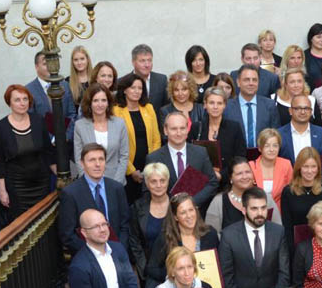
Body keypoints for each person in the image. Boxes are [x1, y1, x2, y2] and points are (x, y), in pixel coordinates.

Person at [219, 187, 291, 288]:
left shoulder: (278, 232)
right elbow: (226, 277)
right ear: (244, 210)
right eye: (254, 208)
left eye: (263, 208)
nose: (260, 213)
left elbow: (284, 273)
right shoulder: (228, 235)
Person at [69, 209, 139, 288]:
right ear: (84, 232)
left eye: (104, 224)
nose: (102, 229)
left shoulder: (118, 249)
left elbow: (131, 284)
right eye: (96, 226)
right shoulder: (78, 266)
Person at [0, 85, 55, 220]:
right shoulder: (0, 128)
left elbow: (48, 152)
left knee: (45, 219)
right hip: (17, 187)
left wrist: (60, 176)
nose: (22, 103)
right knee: (23, 224)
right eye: (17, 100)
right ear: (9, 102)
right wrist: (2, 191)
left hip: (42, 182)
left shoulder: (38, 120)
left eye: (25, 99)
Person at [144, 192, 219, 288]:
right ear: (175, 217)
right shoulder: (166, 238)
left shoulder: (210, 234)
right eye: (183, 212)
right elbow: (151, 268)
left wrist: (215, 286)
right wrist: (174, 276)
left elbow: (218, 265)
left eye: (191, 210)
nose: (189, 216)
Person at [58, 143, 131, 254]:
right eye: (92, 160)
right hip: (88, 256)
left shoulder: (116, 188)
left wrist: (119, 249)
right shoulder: (70, 193)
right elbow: (67, 235)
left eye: (101, 159)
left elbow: (125, 224)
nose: (97, 164)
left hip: (118, 253)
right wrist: (97, 253)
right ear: (82, 163)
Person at [145, 111, 219, 208]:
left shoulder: (200, 153)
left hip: (195, 211)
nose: (179, 133)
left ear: (187, 129)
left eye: (182, 128)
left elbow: (212, 182)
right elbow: (147, 190)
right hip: (167, 212)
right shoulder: (154, 158)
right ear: (165, 130)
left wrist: (191, 203)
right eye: (174, 129)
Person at [114, 72, 162, 203]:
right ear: (125, 90)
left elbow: (156, 139)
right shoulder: (116, 111)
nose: (137, 91)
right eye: (133, 87)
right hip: (127, 168)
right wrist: (131, 171)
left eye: (140, 88)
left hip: (149, 166)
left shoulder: (148, 108)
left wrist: (151, 164)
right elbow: (117, 145)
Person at [206, 157, 282, 235]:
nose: (245, 177)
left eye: (247, 172)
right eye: (239, 173)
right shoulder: (219, 202)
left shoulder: (264, 197)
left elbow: (277, 228)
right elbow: (211, 235)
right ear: (230, 178)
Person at [280, 147, 322, 248]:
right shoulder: (288, 192)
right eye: (305, 166)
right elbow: (287, 227)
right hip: (297, 247)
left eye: (313, 166)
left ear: (318, 168)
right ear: (299, 168)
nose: (310, 171)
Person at [73, 83, 130, 184]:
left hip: (115, 181)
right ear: (89, 103)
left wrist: (116, 183)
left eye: (103, 100)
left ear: (108, 103)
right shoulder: (80, 126)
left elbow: (124, 156)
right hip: (89, 183)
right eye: (95, 100)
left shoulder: (120, 123)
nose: (100, 104)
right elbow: (78, 158)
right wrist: (88, 183)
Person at [190, 87, 246, 184]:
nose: (215, 107)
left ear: (224, 105)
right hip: (201, 181)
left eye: (219, 103)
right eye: (211, 103)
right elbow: (190, 155)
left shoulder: (234, 128)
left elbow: (240, 157)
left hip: (227, 182)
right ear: (205, 105)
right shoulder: (196, 127)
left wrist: (221, 175)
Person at [278, 94, 322, 180]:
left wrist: (321, 180)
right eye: (298, 108)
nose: (302, 112)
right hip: (288, 184)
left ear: (311, 111)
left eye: (306, 108)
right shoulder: (279, 134)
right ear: (290, 111)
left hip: (316, 185)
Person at [129, 162, 170, 279]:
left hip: (179, 269)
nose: (158, 185)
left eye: (162, 181)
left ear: (168, 181)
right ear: (147, 183)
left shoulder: (177, 205)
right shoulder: (137, 207)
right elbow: (134, 241)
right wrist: (145, 269)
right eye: (153, 181)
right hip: (150, 272)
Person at [227, 64, 280, 148]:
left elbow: (276, 134)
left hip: (263, 154)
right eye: (246, 80)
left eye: (254, 80)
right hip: (235, 154)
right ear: (238, 82)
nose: (251, 83)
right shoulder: (227, 107)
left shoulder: (269, 105)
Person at [25, 50, 77, 135]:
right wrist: (51, 139)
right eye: (45, 64)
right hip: (44, 139)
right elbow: (30, 120)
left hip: (66, 138)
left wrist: (66, 136)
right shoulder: (29, 90)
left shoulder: (65, 85)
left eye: (52, 63)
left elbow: (72, 114)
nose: (50, 67)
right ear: (36, 67)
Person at [249, 128, 293, 213]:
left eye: (275, 145)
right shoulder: (250, 166)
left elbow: (291, 193)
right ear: (260, 148)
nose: (271, 149)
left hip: (280, 212)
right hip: (256, 212)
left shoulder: (286, 165)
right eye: (267, 146)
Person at [130, 44, 169, 108]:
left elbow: (167, 106)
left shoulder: (162, 80)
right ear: (133, 62)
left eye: (149, 60)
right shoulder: (122, 82)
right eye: (142, 61)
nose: (147, 65)